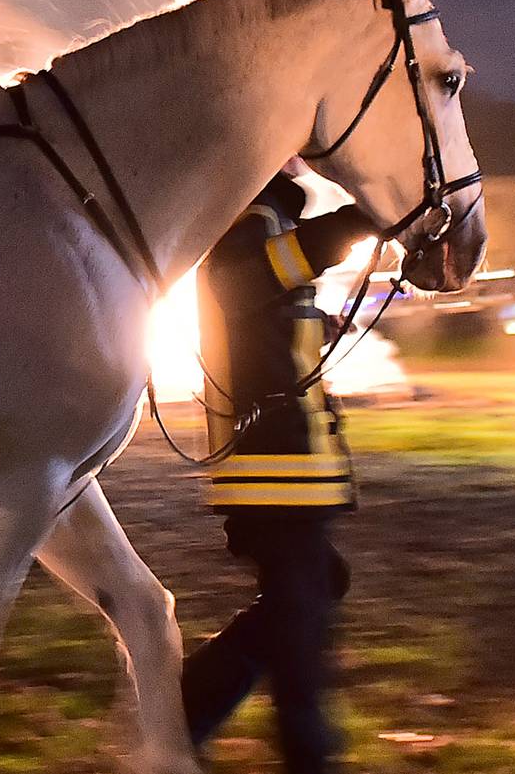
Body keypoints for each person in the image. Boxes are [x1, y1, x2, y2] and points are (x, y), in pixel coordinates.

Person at [180, 164, 375, 772]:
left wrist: (317, 323)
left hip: (290, 466)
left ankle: (178, 714)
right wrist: (355, 222)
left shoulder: (272, 215)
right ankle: (306, 756)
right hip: (273, 469)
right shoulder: (248, 214)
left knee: (314, 592)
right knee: (300, 627)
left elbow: (264, 321)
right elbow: (238, 286)